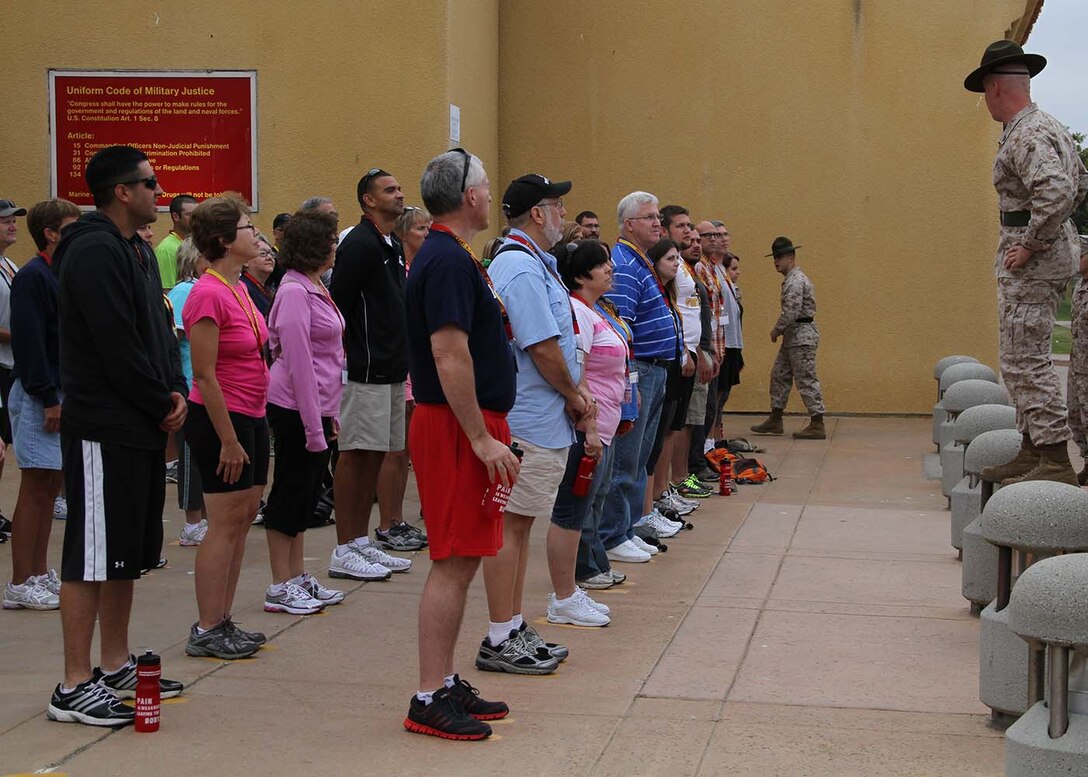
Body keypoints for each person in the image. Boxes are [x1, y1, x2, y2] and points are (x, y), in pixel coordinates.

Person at [49, 145, 186, 727]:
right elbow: (116, 344)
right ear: (122, 191)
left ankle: (113, 662)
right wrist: (161, 403)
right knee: (92, 554)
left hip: (137, 425)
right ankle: (74, 684)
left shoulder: (136, 249)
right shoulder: (94, 250)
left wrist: (174, 392)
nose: (160, 193)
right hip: (104, 426)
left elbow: (156, 331)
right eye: (151, 184)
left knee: (125, 551)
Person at [403, 148, 517, 740]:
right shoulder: (446, 261)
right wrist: (480, 438)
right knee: (450, 562)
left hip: (467, 426)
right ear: (470, 197)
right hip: (455, 428)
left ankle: (444, 681)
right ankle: (428, 695)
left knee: (465, 556)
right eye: (486, 185)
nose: (489, 192)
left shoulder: (453, 256)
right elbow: (449, 353)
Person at [479, 173, 592, 672]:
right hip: (530, 418)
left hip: (541, 419)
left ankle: (512, 624)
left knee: (520, 526)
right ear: (538, 214)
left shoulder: (533, 263)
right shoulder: (520, 267)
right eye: (558, 206)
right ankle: (501, 634)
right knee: (510, 526)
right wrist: (572, 393)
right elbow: (540, 346)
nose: (565, 215)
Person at [963, 40, 1088, 485]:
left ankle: (1054, 457)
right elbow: (1080, 182)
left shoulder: (1028, 132)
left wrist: (1031, 243)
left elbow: (1054, 192)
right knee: (1022, 354)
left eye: (984, 93)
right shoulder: (1048, 126)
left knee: (1023, 359)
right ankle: (1033, 446)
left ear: (995, 88)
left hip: (1034, 260)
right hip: (1046, 253)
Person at [183, 194, 270, 660]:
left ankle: (223, 618)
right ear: (222, 240)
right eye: (245, 227)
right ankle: (207, 625)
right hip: (223, 419)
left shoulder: (237, 286)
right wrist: (229, 440)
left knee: (240, 521)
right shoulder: (208, 292)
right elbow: (204, 374)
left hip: (251, 413)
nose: (254, 233)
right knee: (224, 524)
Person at [326, 168, 413, 582]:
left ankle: (362, 542)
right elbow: (337, 303)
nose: (399, 195)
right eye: (390, 190)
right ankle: (344, 547)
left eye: (398, 189)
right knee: (356, 455)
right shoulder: (359, 244)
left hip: (393, 367)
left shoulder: (391, 242)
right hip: (364, 369)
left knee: (378, 454)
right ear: (367, 200)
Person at [262, 208, 346, 615]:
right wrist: (315, 427)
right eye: (330, 241)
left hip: (317, 407)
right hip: (294, 407)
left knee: (306, 495)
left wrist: (330, 416)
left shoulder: (314, 285)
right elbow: (298, 363)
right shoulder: (294, 291)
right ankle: (280, 584)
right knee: (290, 495)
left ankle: (295, 577)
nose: (335, 247)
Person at [2, 199, 79, 611]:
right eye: (70, 227)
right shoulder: (33, 276)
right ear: (50, 233)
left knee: (51, 489)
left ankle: (37, 570)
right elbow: (30, 343)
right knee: (35, 488)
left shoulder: (58, 273)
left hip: (59, 393)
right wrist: (48, 398)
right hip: (39, 397)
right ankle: (18, 582)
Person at [601, 192, 681, 564]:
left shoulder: (641, 261)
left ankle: (628, 526)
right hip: (641, 370)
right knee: (627, 458)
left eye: (657, 217)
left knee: (640, 456)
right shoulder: (626, 265)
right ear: (629, 224)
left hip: (656, 369)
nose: (657, 223)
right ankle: (614, 532)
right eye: (649, 217)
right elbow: (621, 326)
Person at [551, 240, 629, 599]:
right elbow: (577, 370)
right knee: (580, 500)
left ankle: (594, 561)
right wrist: (591, 427)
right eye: (602, 265)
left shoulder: (597, 310)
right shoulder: (578, 311)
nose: (610, 269)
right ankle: (580, 570)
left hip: (609, 421)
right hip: (590, 424)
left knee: (596, 497)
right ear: (582, 274)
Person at [375, 205, 432, 552]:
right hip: (403, 364)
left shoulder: (419, 268)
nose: (426, 235)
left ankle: (397, 519)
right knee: (395, 450)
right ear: (403, 234)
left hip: (419, 363)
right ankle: (388, 522)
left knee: (408, 449)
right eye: (420, 230)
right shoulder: (399, 271)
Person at [750, 237, 826, 439]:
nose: (776, 261)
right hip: (794, 336)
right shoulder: (793, 279)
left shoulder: (795, 281)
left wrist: (776, 330)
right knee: (779, 374)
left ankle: (817, 421)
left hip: (801, 336)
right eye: (774, 257)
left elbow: (791, 312)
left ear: (791, 258)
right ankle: (776, 418)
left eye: (780, 257)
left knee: (806, 378)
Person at [167, 238, 210, 546]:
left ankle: (206, 516)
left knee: (206, 457)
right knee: (191, 456)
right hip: (191, 380)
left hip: (206, 383)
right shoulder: (185, 291)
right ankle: (192, 522)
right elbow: (181, 335)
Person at [0, 198, 25, 537]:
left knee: (4, 445)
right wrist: (22, 335)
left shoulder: (9, 264)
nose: (12, 225)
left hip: (11, 366)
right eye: (5, 220)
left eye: (14, 219)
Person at [1067, 237, 1088, 484]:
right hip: (1078, 364)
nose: (1076, 261)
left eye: (1080, 256)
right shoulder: (1081, 285)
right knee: (1076, 416)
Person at [153, 194, 198, 292]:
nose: (196, 219)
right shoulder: (166, 249)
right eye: (190, 215)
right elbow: (167, 292)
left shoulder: (197, 245)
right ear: (176, 217)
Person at [240, 235, 278, 319]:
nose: (269, 258)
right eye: (263, 254)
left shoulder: (269, 288)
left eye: (271, 253)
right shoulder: (243, 288)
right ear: (245, 261)